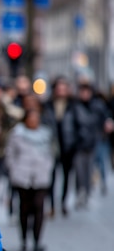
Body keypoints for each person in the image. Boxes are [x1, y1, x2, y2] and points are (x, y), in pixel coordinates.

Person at [5, 109, 54, 251]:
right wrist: (14, 170)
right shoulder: (17, 134)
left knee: (39, 206)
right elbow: (10, 153)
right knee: (24, 208)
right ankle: (24, 239)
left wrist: (47, 168)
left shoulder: (45, 135)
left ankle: (37, 241)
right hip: (22, 176)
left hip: (40, 176)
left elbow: (51, 153)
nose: (34, 121)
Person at [42, 76, 78, 217]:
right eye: (59, 88)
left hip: (68, 145)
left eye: (64, 88)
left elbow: (78, 124)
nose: (61, 91)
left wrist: (76, 142)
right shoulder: (48, 105)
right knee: (51, 177)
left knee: (66, 176)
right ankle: (51, 204)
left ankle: (63, 202)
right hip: (52, 145)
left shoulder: (73, 105)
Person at [73, 81, 111, 208]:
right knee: (79, 171)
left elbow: (105, 119)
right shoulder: (75, 106)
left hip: (94, 142)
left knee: (90, 169)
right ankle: (80, 193)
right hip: (79, 144)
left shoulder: (97, 106)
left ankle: (88, 193)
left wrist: (106, 127)